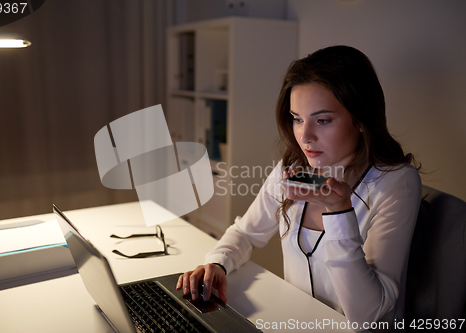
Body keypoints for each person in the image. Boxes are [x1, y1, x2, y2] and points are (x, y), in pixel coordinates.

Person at [176, 45, 422, 330]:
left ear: (361, 120)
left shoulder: (396, 183)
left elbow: (367, 317)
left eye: (323, 120)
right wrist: (217, 264)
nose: (305, 136)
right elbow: (246, 232)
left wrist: (339, 211)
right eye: (297, 119)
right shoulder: (294, 168)